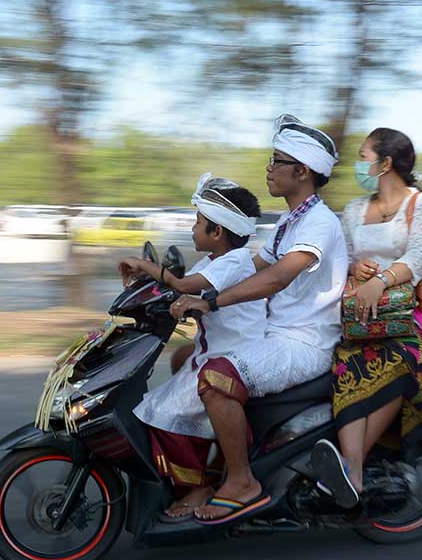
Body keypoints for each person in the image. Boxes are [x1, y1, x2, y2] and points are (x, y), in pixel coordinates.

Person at [172, 114, 348, 525]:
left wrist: (212, 301)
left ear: (301, 171)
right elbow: (250, 265)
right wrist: (184, 286)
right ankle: (203, 474)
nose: (268, 168)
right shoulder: (290, 221)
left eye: (276, 161)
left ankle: (241, 481)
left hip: (304, 343)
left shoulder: (319, 223)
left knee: (216, 376)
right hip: (273, 334)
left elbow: (278, 276)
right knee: (185, 360)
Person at [309, 127, 422, 509]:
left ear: (386, 163)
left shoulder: (421, 203)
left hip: (402, 320)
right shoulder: (352, 210)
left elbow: (418, 258)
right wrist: (356, 270)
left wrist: (380, 281)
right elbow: (343, 258)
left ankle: (350, 468)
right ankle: (351, 471)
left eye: (364, 156)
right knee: (345, 364)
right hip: (357, 321)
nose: (358, 164)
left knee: (398, 363)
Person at [121, 175, 267, 521]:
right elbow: (184, 287)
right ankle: (201, 472)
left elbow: (184, 284)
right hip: (213, 352)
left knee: (161, 412)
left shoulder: (234, 262)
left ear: (217, 232)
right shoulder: (215, 262)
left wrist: (146, 267)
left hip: (233, 357)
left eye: (198, 223)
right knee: (165, 396)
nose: (192, 228)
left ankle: (197, 485)